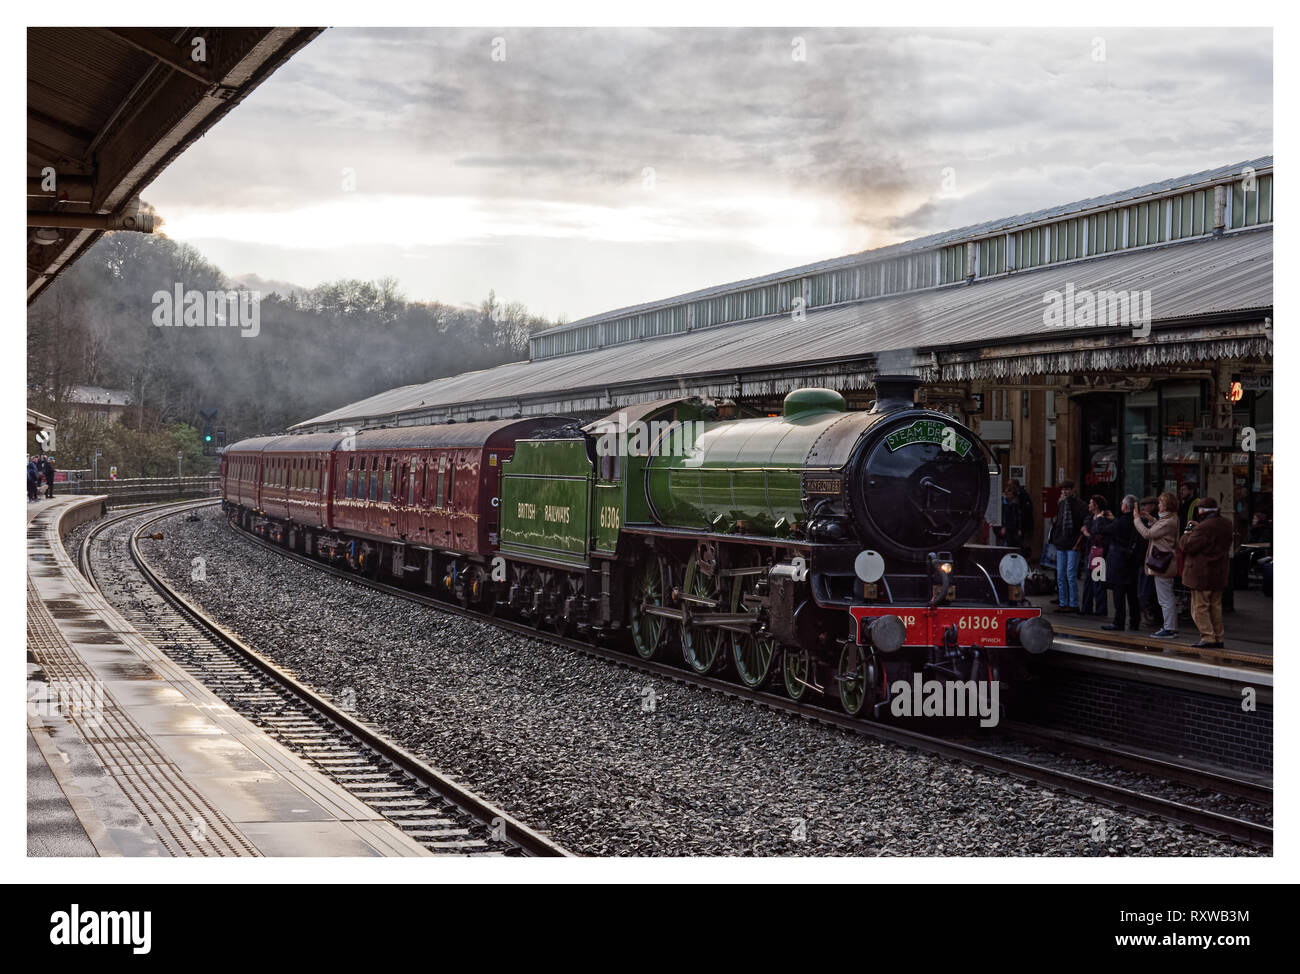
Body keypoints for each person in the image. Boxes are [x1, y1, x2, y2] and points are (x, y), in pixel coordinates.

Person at [1178, 497, 1235, 648]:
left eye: (1199, 510)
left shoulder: (1204, 528)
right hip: (1219, 572)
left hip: (1202, 573)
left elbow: (1187, 546)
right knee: (1215, 606)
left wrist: (1187, 532)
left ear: (1202, 510)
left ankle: (1207, 637)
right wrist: (1199, 528)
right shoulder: (1226, 523)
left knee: (1199, 607)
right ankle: (1218, 637)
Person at [1134, 490, 1180, 638]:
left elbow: (1148, 534)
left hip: (1163, 562)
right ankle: (1169, 626)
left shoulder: (1168, 521)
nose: (1158, 504)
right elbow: (1159, 529)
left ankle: (1169, 628)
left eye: (1160, 502)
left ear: (1166, 505)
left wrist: (1137, 520)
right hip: (1164, 561)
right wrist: (1151, 519)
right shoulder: (1171, 519)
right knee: (1166, 596)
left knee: (1165, 598)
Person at [1098, 494, 1143, 632]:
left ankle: (1119, 621)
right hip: (1132, 560)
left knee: (1119, 592)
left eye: (1122, 503)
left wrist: (1100, 519)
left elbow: (1105, 530)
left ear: (1125, 506)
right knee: (1132, 593)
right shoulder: (1136, 520)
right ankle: (1135, 621)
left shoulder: (1121, 521)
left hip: (1119, 560)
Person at [1048, 480, 1087, 613]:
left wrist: (1078, 543)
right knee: (1060, 575)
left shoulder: (1081, 505)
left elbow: (1083, 525)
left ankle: (1073, 603)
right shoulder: (1061, 504)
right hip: (1061, 542)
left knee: (1070, 574)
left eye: (1067, 489)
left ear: (1072, 490)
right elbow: (1057, 522)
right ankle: (1063, 602)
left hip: (1073, 543)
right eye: (1063, 489)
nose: (1064, 492)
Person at [1079, 494, 1111, 616]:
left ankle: (1100, 609)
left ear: (1096, 505)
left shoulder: (1102, 519)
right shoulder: (1090, 518)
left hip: (1098, 552)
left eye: (1091, 503)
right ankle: (1086, 607)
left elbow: (1097, 535)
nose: (1089, 505)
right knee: (1088, 580)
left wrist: (1086, 533)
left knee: (1097, 580)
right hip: (1091, 551)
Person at [1136, 496, 1160, 627]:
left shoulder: (1156, 520)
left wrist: (1137, 521)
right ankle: (1149, 614)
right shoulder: (1146, 520)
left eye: (1146, 505)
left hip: (1151, 559)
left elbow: (1147, 534)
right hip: (1143, 559)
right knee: (1144, 590)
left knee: (1148, 591)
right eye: (1142, 505)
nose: (1143, 508)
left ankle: (1153, 615)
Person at [997, 483, 1024, 549]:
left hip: (1013, 527)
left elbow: (1019, 517)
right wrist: (1002, 526)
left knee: (1014, 545)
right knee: (1005, 545)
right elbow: (1002, 516)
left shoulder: (1015, 504)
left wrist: (1019, 529)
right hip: (1006, 527)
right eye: (1007, 494)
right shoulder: (1003, 504)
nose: (1008, 496)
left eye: (1010, 494)